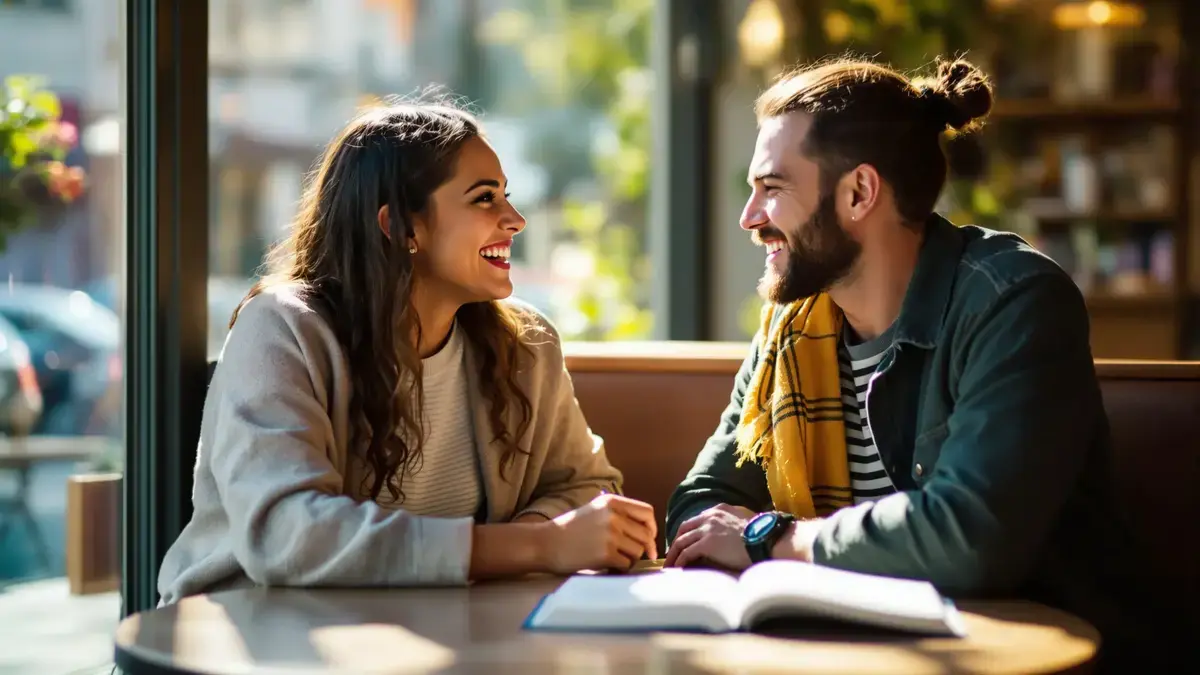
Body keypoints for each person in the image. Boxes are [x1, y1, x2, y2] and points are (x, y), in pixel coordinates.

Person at [662, 56, 1172, 668]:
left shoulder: (1012, 303)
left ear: (859, 192)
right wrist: (740, 537)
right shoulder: (790, 332)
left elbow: (968, 537)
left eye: (772, 188)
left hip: (1037, 658)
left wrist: (772, 537)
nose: (750, 217)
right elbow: (702, 504)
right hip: (853, 654)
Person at [157, 100, 657, 605]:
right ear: (401, 227)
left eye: (505, 196)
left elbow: (589, 486)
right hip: (253, 631)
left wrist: (539, 538)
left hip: (438, 633)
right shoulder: (282, 329)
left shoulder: (525, 344)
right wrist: (538, 546)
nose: (515, 220)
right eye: (485, 199)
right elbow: (288, 533)